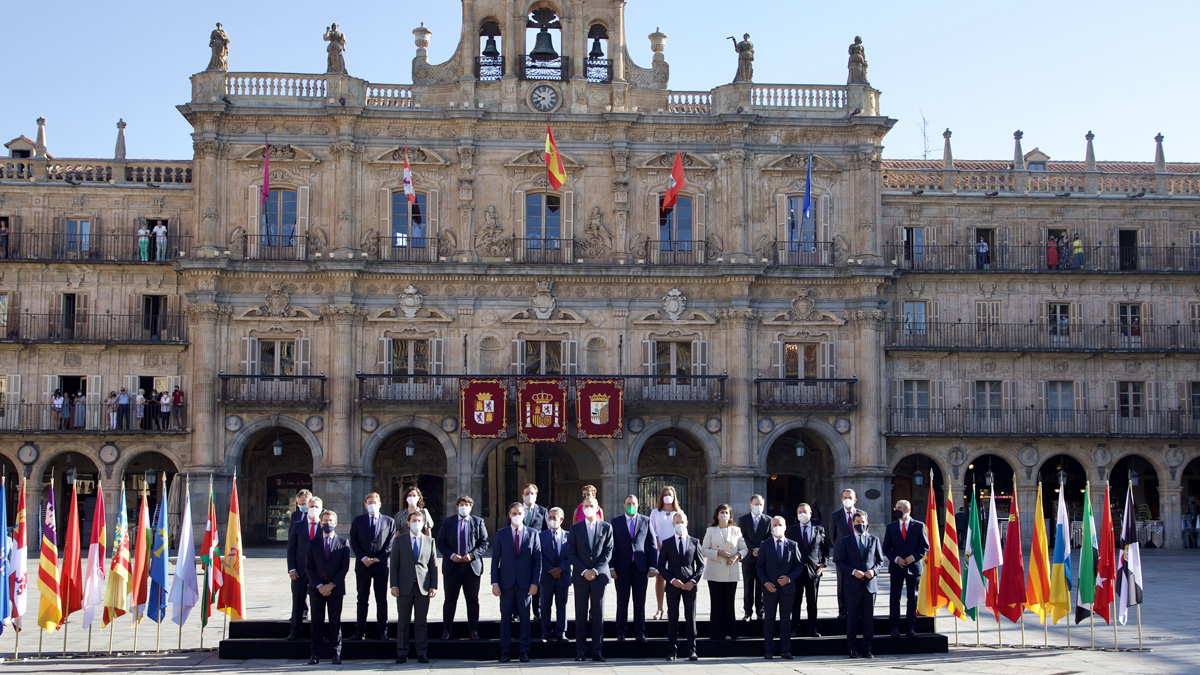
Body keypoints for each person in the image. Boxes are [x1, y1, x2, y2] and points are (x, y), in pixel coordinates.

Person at [491, 502, 542, 663]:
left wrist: (535, 583)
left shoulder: (533, 533)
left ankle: (523, 651)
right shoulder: (501, 533)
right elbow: (494, 560)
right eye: (514, 513)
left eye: (520, 513)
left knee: (525, 619)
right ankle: (505, 651)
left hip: (525, 584)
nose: (517, 516)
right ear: (509, 515)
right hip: (506, 583)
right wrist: (494, 583)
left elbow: (537, 560)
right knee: (506, 618)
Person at [566, 494, 613, 662]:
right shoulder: (575, 529)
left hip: (599, 577)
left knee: (598, 614)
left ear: (597, 507)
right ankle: (580, 651)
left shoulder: (607, 528)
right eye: (585, 505)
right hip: (581, 577)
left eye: (591, 505)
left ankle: (597, 651)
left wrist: (595, 570)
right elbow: (571, 553)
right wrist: (584, 570)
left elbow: (608, 552)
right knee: (580, 614)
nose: (588, 508)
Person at [435, 495, 488, 641]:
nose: (464, 507)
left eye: (467, 505)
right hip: (453, 567)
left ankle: (473, 630)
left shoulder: (478, 522)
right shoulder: (448, 522)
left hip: (471, 567)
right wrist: (451, 555)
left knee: (472, 600)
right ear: (457, 506)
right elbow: (440, 542)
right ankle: (447, 630)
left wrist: (472, 555)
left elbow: (484, 543)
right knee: (450, 600)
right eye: (461, 504)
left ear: (471, 507)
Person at [833, 512, 885, 659]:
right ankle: (852, 647)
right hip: (852, 585)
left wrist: (874, 572)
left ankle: (867, 648)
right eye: (857, 521)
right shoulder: (846, 541)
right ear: (853, 523)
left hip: (869, 585)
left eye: (862, 521)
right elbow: (840, 561)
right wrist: (853, 571)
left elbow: (880, 561)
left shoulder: (873, 539)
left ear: (867, 522)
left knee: (868, 618)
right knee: (852, 618)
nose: (860, 524)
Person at [390, 510, 436, 664]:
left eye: (419, 521)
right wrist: (394, 585)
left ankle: (422, 653)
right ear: (408, 523)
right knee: (403, 621)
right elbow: (394, 564)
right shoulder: (399, 541)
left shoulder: (430, 541)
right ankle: (402, 653)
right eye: (414, 520)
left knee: (421, 622)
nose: (417, 523)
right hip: (404, 586)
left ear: (423, 524)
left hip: (423, 586)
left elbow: (433, 566)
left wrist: (433, 586)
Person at [348, 492, 396, 641]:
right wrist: (363, 558)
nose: (372, 505)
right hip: (363, 565)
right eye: (369, 502)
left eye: (375, 502)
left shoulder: (389, 521)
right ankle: (359, 630)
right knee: (362, 598)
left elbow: (390, 544)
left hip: (380, 565)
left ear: (380, 504)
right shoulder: (358, 521)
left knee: (381, 599)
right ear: (365, 505)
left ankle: (383, 630)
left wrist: (377, 559)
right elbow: (354, 541)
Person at [305, 509, 350, 665]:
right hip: (317, 590)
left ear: (336, 523)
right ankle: (315, 654)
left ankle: (336, 653)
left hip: (335, 589)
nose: (328, 523)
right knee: (316, 622)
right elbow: (309, 567)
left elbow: (344, 568)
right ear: (320, 523)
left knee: (335, 622)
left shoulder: (343, 543)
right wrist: (319, 585)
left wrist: (331, 585)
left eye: (331, 521)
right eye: (325, 521)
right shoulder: (313, 543)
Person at [611, 494, 656, 644]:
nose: (631, 505)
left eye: (634, 503)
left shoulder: (646, 520)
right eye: (628, 503)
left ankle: (640, 631)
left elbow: (652, 545)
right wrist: (611, 567)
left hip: (640, 568)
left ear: (638, 505)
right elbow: (611, 546)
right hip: (622, 568)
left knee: (639, 601)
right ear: (624, 505)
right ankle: (621, 632)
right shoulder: (615, 522)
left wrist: (652, 566)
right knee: (622, 601)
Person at [660, 511, 704, 662]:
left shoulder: (694, 542)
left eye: (682, 522)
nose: (679, 525)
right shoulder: (667, 542)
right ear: (673, 524)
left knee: (690, 618)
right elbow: (661, 566)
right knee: (673, 618)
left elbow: (700, 565)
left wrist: (693, 581)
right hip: (673, 585)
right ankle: (672, 651)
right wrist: (671, 580)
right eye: (677, 522)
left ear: (687, 523)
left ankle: (692, 650)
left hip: (690, 586)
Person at [882, 499, 928, 639]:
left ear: (908, 510)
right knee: (894, 598)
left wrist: (913, 557)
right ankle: (895, 627)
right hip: (897, 567)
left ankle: (911, 627)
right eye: (896, 507)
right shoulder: (891, 527)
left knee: (912, 598)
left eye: (901, 508)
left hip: (913, 567)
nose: (898, 509)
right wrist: (896, 559)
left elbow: (925, 547)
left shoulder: (919, 526)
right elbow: (886, 548)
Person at [758, 515, 802, 660]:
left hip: (787, 589)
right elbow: (760, 567)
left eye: (780, 525)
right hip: (770, 588)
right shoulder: (765, 544)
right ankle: (768, 650)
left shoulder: (792, 545)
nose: (777, 527)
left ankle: (785, 650)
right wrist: (766, 583)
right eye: (775, 525)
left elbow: (798, 565)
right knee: (769, 620)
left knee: (785, 620)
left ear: (785, 527)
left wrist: (789, 578)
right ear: (771, 528)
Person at [701, 503, 747, 641]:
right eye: (721, 512)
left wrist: (736, 556)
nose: (724, 515)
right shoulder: (711, 530)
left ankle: (729, 632)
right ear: (717, 514)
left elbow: (744, 548)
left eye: (726, 513)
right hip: (715, 571)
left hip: (730, 571)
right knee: (716, 603)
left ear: (730, 515)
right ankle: (716, 633)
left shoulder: (736, 531)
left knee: (729, 603)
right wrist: (718, 552)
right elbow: (704, 549)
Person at [786, 502, 826, 637]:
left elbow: (825, 549)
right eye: (799, 512)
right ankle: (795, 626)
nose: (802, 514)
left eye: (805, 512)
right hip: (796, 571)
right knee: (795, 600)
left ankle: (812, 626)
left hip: (813, 571)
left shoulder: (819, 529)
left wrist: (822, 563)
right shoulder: (791, 530)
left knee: (812, 600)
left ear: (810, 513)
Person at [287, 495, 322, 640]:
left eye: (316, 507)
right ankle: (295, 630)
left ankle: (317, 631)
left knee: (317, 602)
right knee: (298, 601)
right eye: (311, 507)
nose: (313, 509)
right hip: (300, 570)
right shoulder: (298, 525)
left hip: (318, 571)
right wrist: (291, 568)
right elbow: (291, 548)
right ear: (306, 509)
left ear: (321, 509)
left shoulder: (325, 525)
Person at [829, 488, 866, 619]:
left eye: (849, 497)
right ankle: (843, 610)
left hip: (858, 554)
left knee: (859, 581)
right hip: (841, 555)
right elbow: (833, 536)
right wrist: (842, 549)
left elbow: (865, 534)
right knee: (842, 583)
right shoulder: (836, 515)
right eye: (844, 497)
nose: (847, 500)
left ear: (855, 499)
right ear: (841, 499)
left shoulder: (862, 514)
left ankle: (859, 609)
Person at [649, 485, 683, 620]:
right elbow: (651, 529)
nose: (668, 496)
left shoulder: (679, 512)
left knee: (672, 579)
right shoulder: (655, 512)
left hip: (673, 549)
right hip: (659, 548)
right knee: (660, 578)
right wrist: (657, 543)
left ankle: (671, 609)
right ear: (661, 497)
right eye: (666, 494)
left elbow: (683, 530)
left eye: (670, 494)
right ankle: (659, 608)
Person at [538, 507, 571, 643]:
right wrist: (551, 569)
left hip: (563, 576)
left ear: (561, 519)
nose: (551, 520)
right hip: (547, 576)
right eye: (550, 517)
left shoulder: (569, 536)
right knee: (545, 605)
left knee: (561, 605)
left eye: (554, 518)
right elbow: (538, 555)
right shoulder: (540, 535)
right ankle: (545, 633)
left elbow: (572, 554)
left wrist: (561, 568)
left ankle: (561, 632)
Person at [738, 494, 770, 622]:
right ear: (751, 505)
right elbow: (742, 537)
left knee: (761, 586)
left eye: (760, 504)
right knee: (748, 585)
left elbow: (770, 537)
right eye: (756, 504)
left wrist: (761, 549)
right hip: (748, 558)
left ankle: (760, 612)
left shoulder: (768, 520)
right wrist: (752, 550)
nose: (758, 506)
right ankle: (747, 612)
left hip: (762, 558)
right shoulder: (743, 520)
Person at [521, 483, 548, 622]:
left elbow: (546, 531)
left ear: (536, 496)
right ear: (522, 495)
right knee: (519, 584)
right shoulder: (517, 510)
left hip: (536, 553)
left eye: (532, 493)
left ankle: (537, 611)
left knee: (536, 582)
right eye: (526, 493)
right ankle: (518, 612)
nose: (529, 496)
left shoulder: (542, 511)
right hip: (519, 553)